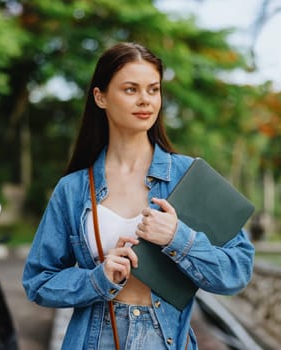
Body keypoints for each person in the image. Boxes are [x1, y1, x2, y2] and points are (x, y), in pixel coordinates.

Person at [22, 42, 255, 350]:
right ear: (100, 97)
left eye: (153, 89)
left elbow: (237, 270)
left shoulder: (188, 175)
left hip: (166, 339)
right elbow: (38, 281)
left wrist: (178, 238)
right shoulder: (74, 188)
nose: (145, 100)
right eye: (131, 89)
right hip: (95, 339)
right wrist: (99, 278)